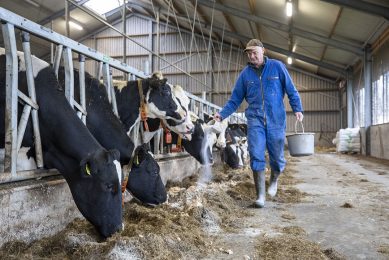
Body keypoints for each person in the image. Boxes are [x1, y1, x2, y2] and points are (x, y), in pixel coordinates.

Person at [214, 39, 304, 208]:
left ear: (263, 51)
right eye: (249, 53)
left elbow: (291, 90)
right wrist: (222, 114)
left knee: (277, 158)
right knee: (256, 153)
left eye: (255, 52)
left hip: (276, 120)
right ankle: (260, 196)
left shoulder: (277, 67)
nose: (252, 56)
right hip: (255, 120)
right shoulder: (245, 75)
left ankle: (274, 179)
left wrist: (297, 109)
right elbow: (234, 100)